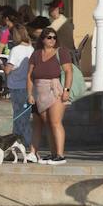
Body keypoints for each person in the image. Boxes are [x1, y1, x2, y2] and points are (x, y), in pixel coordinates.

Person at [26, 26, 75, 164]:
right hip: (39, 91)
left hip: (55, 90)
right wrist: (29, 94)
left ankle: (60, 155)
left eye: (54, 37)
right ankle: (53, 153)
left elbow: (68, 71)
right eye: (49, 37)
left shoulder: (62, 52)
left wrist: (66, 90)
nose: (52, 40)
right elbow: (29, 75)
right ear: (42, 39)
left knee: (55, 122)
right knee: (47, 123)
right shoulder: (36, 55)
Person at [6, 24, 35, 147]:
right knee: (25, 117)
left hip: (17, 86)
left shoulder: (16, 50)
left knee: (18, 118)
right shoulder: (31, 49)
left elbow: (8, 69)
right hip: (29, 86)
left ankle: (22, 144)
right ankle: (22, 145)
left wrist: (3, 66)